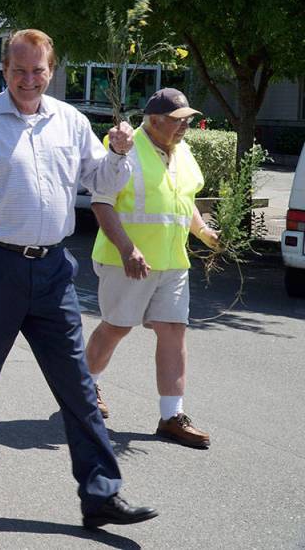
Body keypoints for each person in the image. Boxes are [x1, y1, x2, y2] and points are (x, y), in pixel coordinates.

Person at [0, 29, 158, 530]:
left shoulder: (71, 121)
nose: (28, 80)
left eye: (38, 70)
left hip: (54, 270)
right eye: (19, 70)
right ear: (4, 70)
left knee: (78, 385)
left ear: (51, 71)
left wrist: (119, 154)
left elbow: (101, 184)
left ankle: (101, 493)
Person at [85, 88, 218, 449]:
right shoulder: (123, 148)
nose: (185, 127)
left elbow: (184, 200)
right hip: (126, 261)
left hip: (173, 261)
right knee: (116, 327)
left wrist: (205, 233)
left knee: (174, 330)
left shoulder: (183, 151)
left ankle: (172, 416)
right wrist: (128, 249)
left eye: (187, 120)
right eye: (178, 121)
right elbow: (102, 203)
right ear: (154, 120)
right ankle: (85, 387)